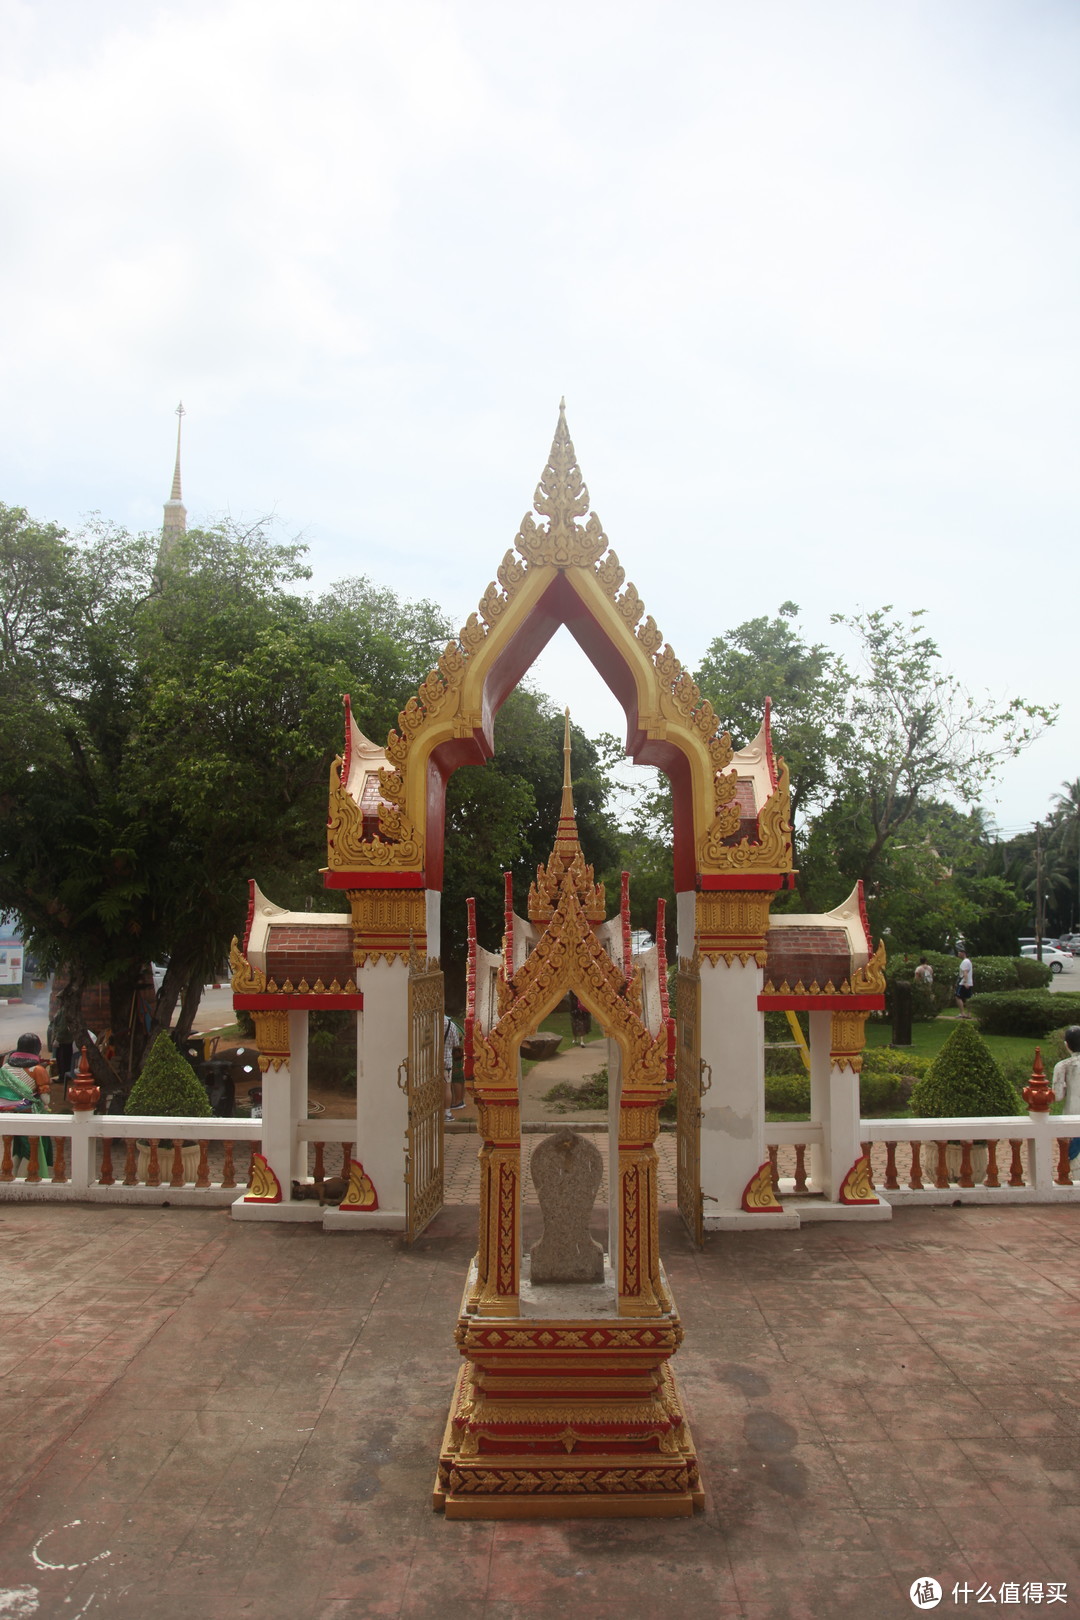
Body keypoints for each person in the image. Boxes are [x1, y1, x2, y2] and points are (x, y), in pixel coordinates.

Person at [0, 1042, 53, 1172]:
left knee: (14, 1148)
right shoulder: (37, 1070)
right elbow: (45, 1099)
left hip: (5, 1115)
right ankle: (23, 1178)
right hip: (28, 1114)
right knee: (31, 1150)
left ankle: (10, 1175)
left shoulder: (5, 1068)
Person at [1051, 1025, 1080, 1169]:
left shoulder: (1063, 1066)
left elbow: (1057, 1096)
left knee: (1076, 1162)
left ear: (1066, 1045)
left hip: (1073, 1116)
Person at [443, 1013, 464, 1123]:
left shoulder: (430, 1022)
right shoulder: (451, 1025)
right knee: (447, 1087)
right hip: (446, 1060)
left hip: (431, 1061)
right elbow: (456, 1043)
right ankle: (447, 1113)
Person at [955, 952, 974, 1018]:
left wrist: (965, 982)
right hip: (969, 982)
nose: (958, 954)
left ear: (963, 953)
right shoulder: (968, 961)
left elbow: (965, 972)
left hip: (963, 982)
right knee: (968, 998)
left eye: (959, 953)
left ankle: (962, 1013)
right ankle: (969, 1014)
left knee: (958, 997)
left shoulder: (965, 962)